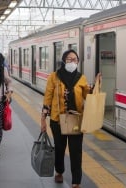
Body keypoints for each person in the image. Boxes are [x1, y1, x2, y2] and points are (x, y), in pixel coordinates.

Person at [41, 49, 100, 188]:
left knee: (76, 150)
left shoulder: (81, 78)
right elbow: (48, 97)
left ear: (78, 62)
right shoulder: (54, 77)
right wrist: (43, 118)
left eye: (74, 59)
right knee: (59, 148)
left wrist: (96, 85)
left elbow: (88, 95)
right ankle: (59, 172)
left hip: (76, 118)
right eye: (69, 59)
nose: (72, 62)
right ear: (63, 60)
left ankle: (76, 181)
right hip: (57, 118)